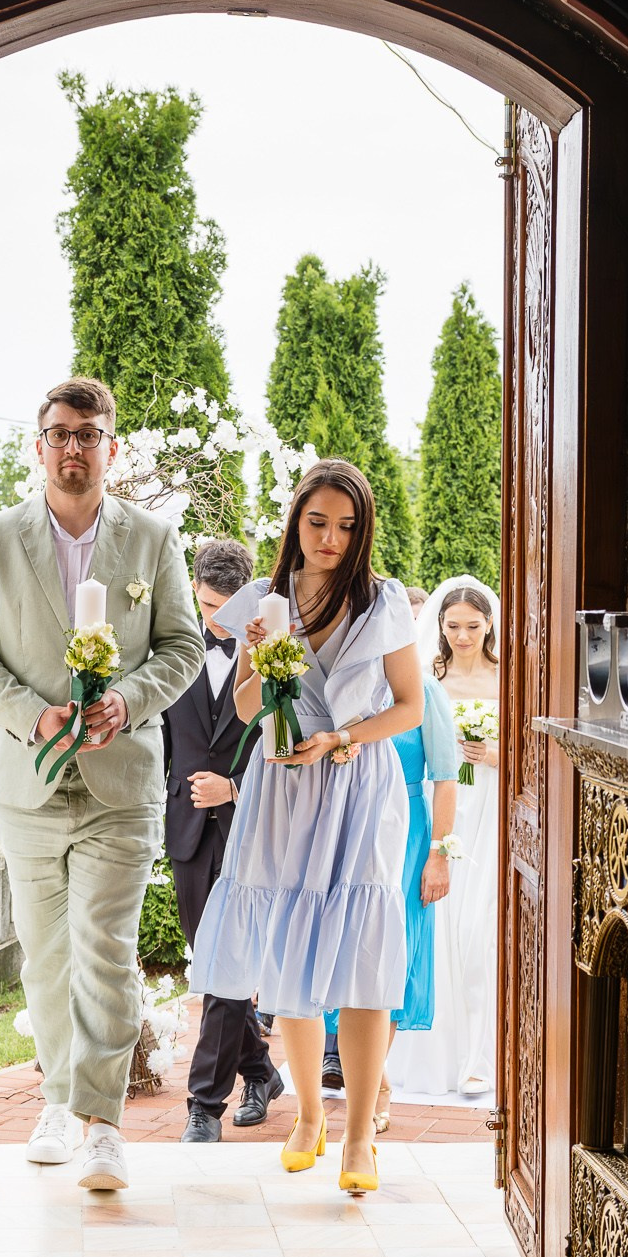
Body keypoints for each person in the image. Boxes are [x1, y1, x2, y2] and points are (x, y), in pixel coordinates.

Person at [0, 377, 204, 1190]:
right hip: (26, 780)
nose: (72, 448)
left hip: (119, 782)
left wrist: (127, 700)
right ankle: (57, 1100)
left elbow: (183, 646)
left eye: (88, 435)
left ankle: (101, 1125)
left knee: (105, 947)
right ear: (39, 446)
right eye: (59, 434)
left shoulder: (153, 539)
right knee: (46, 955)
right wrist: (32, 714)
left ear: (110, 448)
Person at [189, 460, 424, 1196]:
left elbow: (410, 706)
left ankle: (359, 1136)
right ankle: (309, 1118)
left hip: (358, 785)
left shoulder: (384, 602)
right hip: (284, 787)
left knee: (361, 959)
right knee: (289, 948)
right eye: (317, 521)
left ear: (362, 532)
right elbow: (247, 706)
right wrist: (263, 661)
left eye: (346, 526)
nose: (330, 538)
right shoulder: (260, 600)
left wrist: (342, 737)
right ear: (295, 520)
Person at [323, 584, 460, 1132]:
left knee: (395, 952)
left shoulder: (424, 691)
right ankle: (371, 1080)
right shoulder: (347, 687)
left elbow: (445, 778)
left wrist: (438, 856)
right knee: (346, 949)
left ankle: (375, 1084)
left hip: (407, 834)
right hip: (349, 829)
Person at [163, 539, 284, 1143]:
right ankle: (260, 1071)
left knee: (226, 961)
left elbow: (285, 743)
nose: (214, 619)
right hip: (187, 829)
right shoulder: (170, 649)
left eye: (225, 609)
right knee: (211, 964)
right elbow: (162, 741)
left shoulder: (276, 651)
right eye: (207, 605)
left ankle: (203, 1106)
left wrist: (233, 789)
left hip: (249, 828)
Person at [396, 577, 502, 1097]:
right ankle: (436, 1056)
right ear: (439, 625)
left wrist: (494, 755)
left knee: (478, 933)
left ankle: (480, 1057)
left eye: (473, 627)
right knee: (439, 931)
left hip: (490, 813)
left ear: (489, 626)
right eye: (453, 626)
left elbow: (533, 751)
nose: (463, 636)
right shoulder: (426, 677)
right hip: (444, 814)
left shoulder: (508, 678)